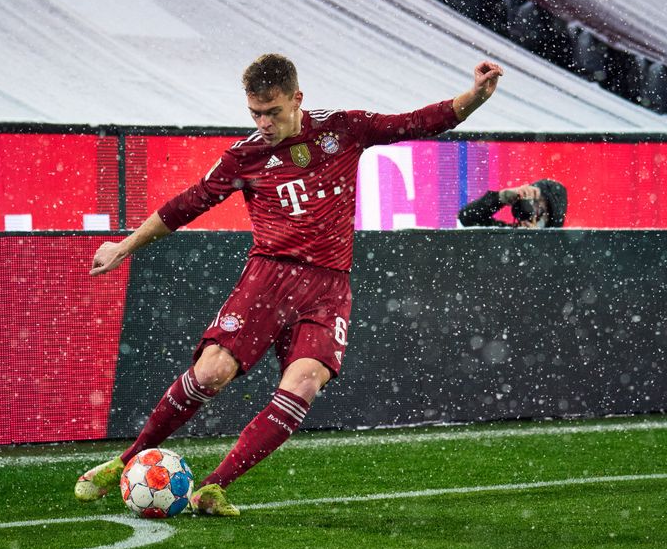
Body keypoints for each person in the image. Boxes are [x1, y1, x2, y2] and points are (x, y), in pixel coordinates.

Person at [75, 53, 504, 516]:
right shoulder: (245, 155)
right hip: (269, 279)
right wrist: (124, 246)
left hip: (328, 287)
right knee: (212, 373)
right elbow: (187, 205)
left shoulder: (344, 128)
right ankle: (121, 463)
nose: (263, 122)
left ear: (297, 99)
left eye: (272, 112)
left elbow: (419, 122)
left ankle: (214, 487)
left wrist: (475, 96)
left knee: (304, 383)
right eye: (254, 113)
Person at [457, 179, 567, 229]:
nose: (532, 210)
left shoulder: (561, 250)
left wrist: (537, 240)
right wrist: (501, 198)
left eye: (540, 208)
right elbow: (467, 217)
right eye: (529, 202)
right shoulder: (506, 234)